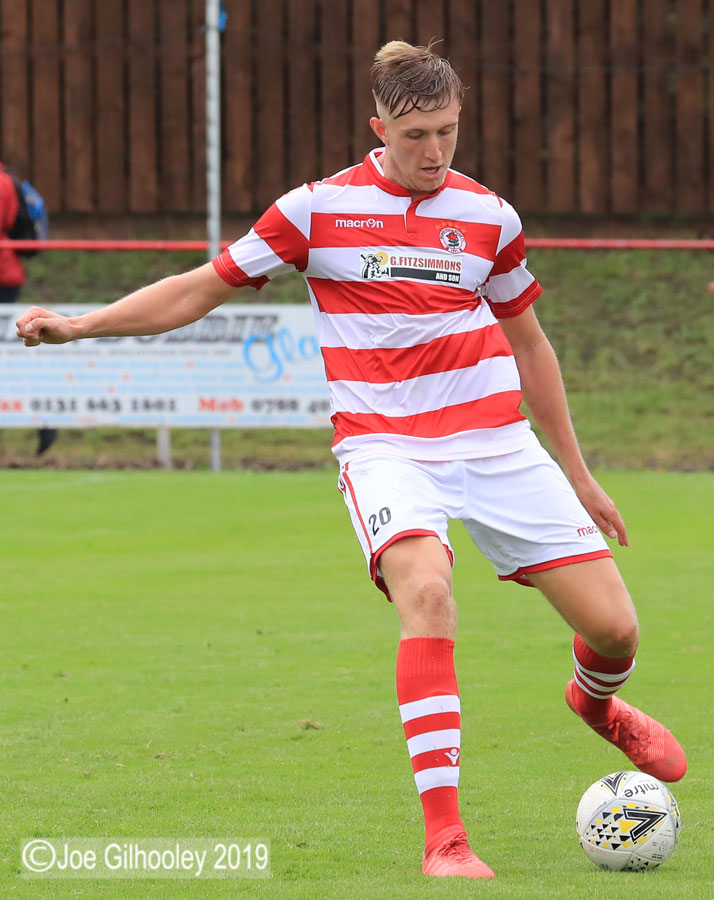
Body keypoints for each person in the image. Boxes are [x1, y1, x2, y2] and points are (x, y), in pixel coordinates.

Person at [16, 41, 686, 880]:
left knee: (615, 628)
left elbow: (532, 345)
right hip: (386, 449)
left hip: (496, 444)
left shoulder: (490, 217)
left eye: (447, 132)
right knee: (429, 592)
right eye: (416, 135)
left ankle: (595, 703)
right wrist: (80, 325)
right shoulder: (315, 210)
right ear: (379, 128)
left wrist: (580, 475)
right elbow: (199, 288)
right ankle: (445, 838)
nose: (435, 152)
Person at [0, 160, 57, 454]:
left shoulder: (2, 182)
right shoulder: (7, 180)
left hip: (3, 275)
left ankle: (46, 417)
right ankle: (45, 418)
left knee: (8, 357)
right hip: (7, 274)